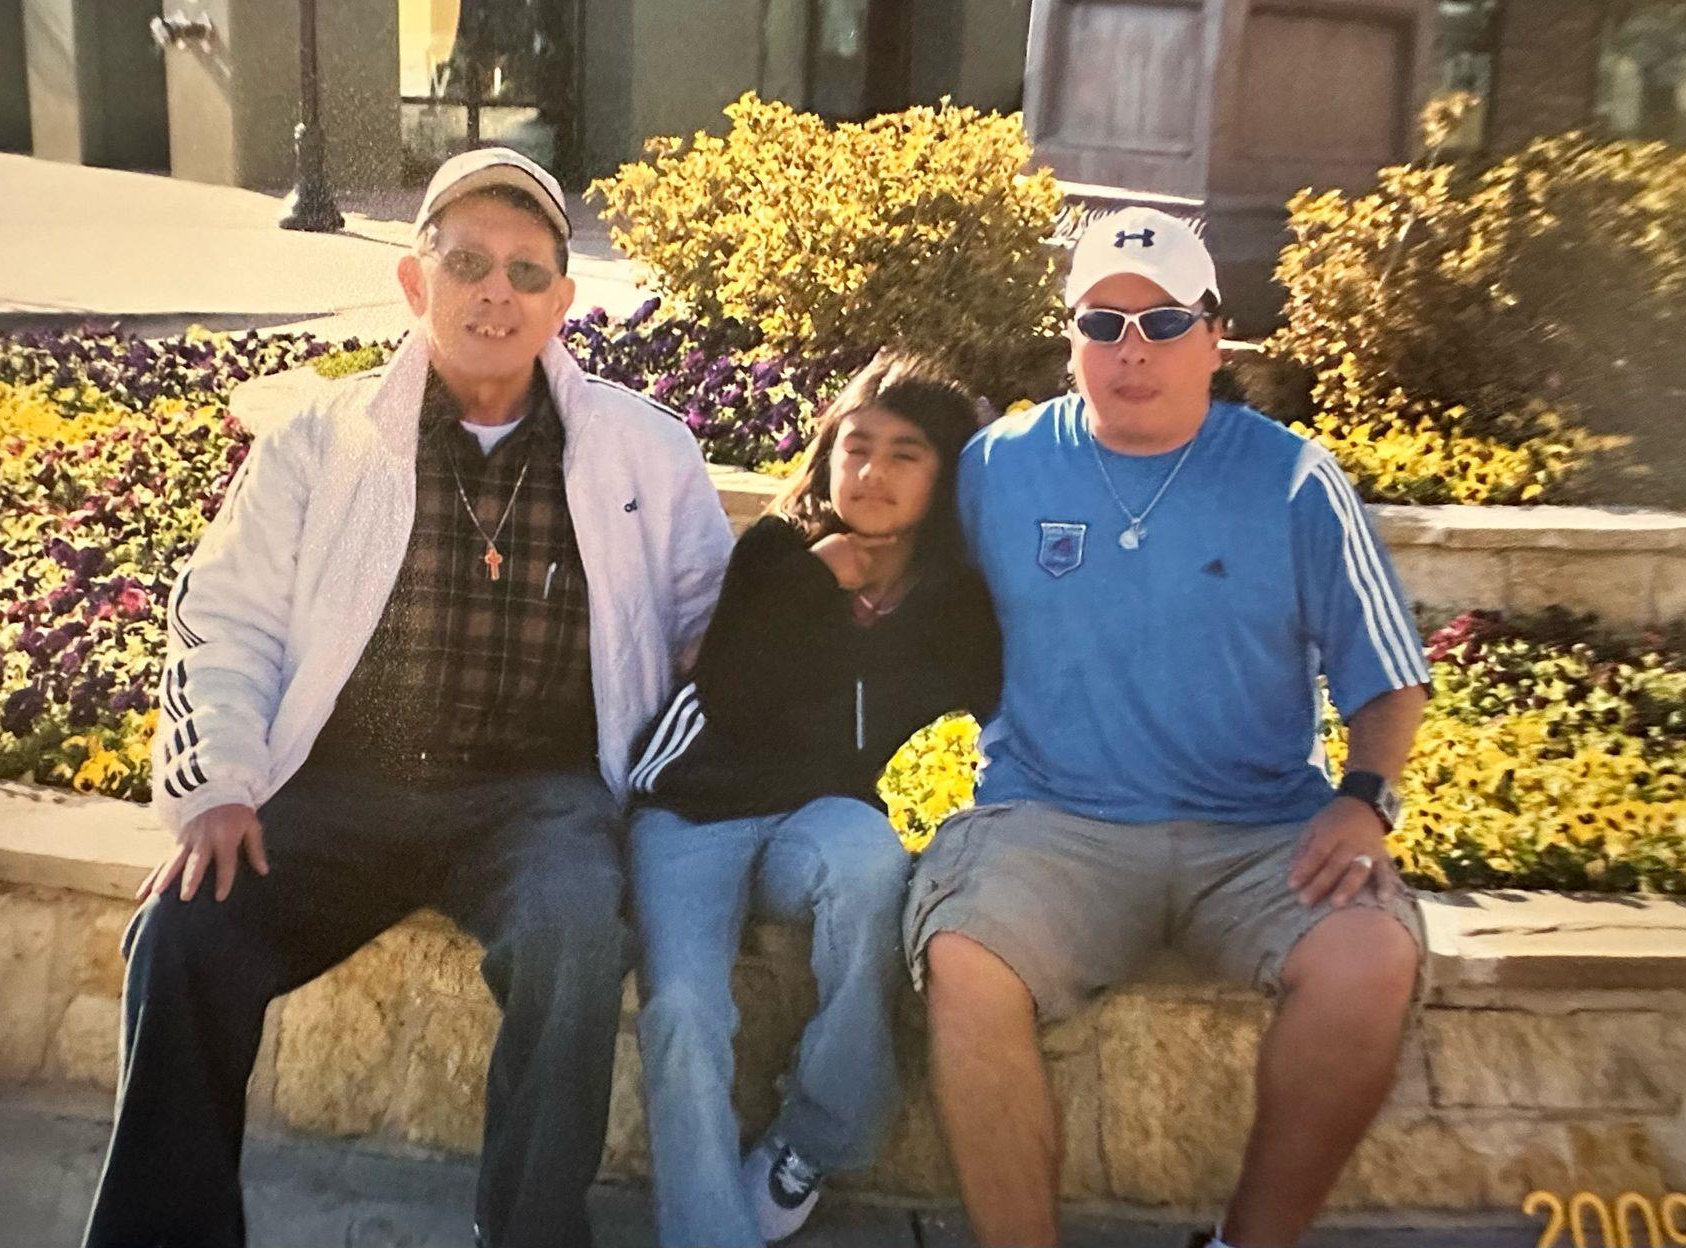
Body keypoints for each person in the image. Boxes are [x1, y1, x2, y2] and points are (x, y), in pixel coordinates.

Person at [82, 147, 735, 1248]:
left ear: (564, 302)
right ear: (413, 279)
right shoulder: (321, 441)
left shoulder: (645, 452)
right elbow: (223, 616)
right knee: (184, 934)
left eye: (528, 273)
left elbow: (710, 639)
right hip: (345, 788)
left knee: (576, 937)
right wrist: (222, 786)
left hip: (536, 800)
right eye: (468, 262)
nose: (497, 294)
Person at [908, 206, 1431, 1248]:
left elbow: (1388, 678)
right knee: (964, 958)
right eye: (1099, 326)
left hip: (1257, 831)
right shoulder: (996, 467)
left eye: (1159, 323)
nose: (1128, 350)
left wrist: (1363, 801)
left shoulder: (1290, 478)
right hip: (1052, 819)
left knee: (1369, 960)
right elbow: (888, 576)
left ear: (1213, 337)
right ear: (1068, 342)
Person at [626, 353, 1001, 1247]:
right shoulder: (774, 555)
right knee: (683, 1008)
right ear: (827, 454)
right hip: (692, 811)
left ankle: (815, 1135)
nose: (870, 473)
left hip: (814, 823)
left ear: (943, 475)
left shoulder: (950, 604)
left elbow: (1010, 701)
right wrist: (813, 584)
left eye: (904, 454)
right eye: (856, 447)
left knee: (875, 856)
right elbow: (734, 697)